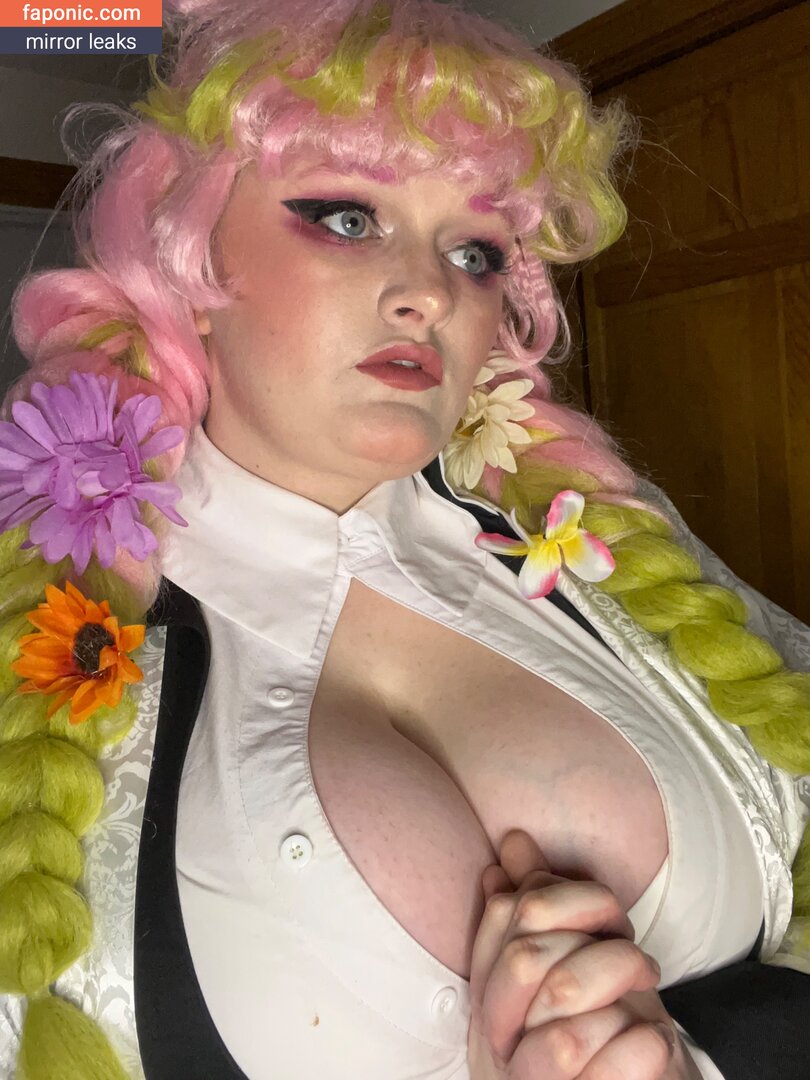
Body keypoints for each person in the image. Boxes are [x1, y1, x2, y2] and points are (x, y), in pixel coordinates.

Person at [0, 0, 808, 1077]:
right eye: (346, 217)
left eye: (476, 251)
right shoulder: (44, 648)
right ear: (186, 264)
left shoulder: (588, 538)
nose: (430, 293)